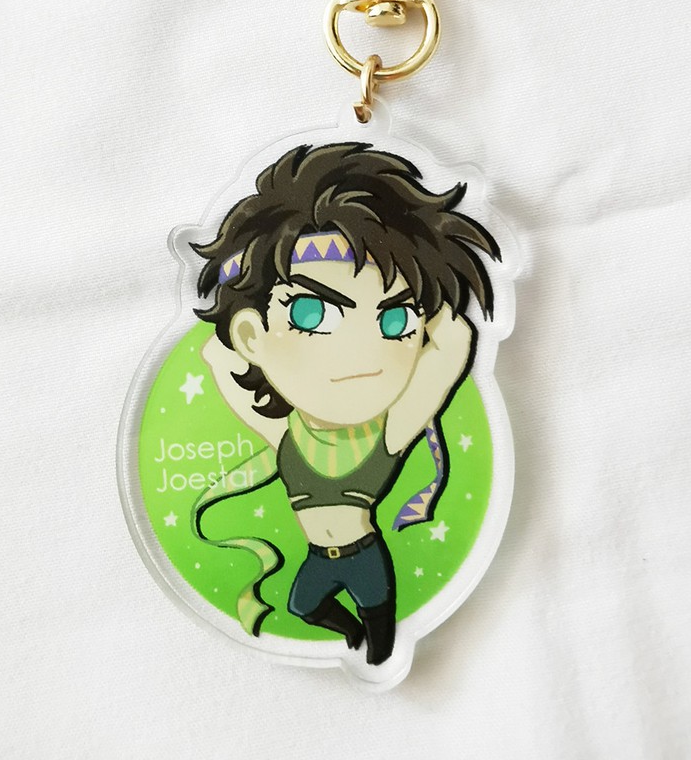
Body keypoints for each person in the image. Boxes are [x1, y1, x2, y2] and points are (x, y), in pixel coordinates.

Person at [192, 142, 499, 665]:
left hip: (365, 556)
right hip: (319, 557)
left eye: (394, 321)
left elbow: (452, 347)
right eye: (311, 313)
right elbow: (220, 359)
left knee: (383, 638)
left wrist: (430, 300)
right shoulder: (288, 437)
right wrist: (238, 299)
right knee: (302, 606)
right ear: (251, 336)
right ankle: (350, 638)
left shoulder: (390, 432)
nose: (361, 354)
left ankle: (372, 649)